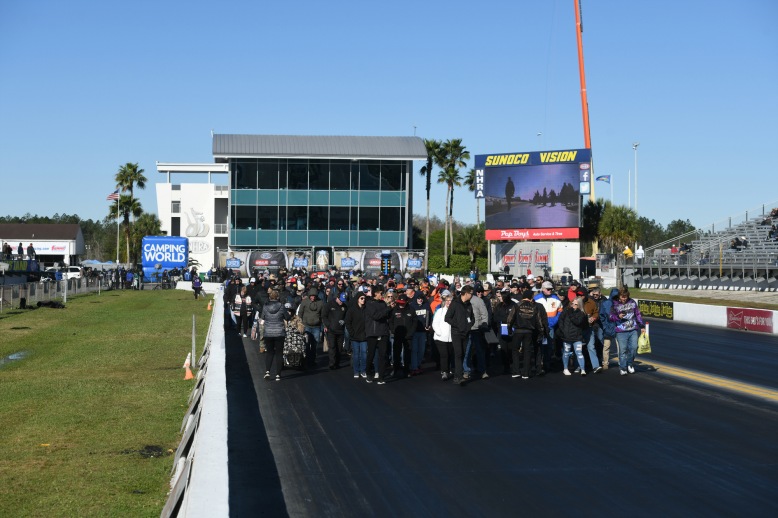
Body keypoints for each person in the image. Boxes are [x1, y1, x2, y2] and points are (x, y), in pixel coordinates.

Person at [609, 287, 646, 376]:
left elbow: (637, 314)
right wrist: (618, 317)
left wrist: (641, 325)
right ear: (619, 296)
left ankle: (630, 364)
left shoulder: (632, 302)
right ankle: (623, 367)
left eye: (625, 297)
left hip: (632, 329)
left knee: (634, 348)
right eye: (622, 297)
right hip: (621, 331)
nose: (624, 299)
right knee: (623, 351)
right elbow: (610, 317)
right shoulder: (614, 305)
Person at [445, 285, 474, 385]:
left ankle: (459, 373)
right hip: (456, 333)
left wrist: (469, 325)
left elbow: (472, 317)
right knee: (458, 354)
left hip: (466, 333)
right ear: (466, 293)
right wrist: (457, 325)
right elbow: (447, 318)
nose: (472, 295)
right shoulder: (455, 303)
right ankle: (458, 376)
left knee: (463, 353)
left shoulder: (469, 305)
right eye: (471, 293)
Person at [364, 285, 392, 385]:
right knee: (371, 354)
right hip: (372, 332)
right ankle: (368, 373)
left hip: (383, 332)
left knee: (383, 355)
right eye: (381, 293)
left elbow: (387, 315)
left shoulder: (383, 303)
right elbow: (376, 316)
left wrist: (390, 308)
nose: (382, 295)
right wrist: (387, 309)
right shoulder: (369, 304)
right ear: (376, 293)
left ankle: (381, 376)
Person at [261, 289, 291, 381]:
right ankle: (278, 374)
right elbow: (287, 317)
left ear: (270, 297)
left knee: (270, 353)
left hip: (268, 332)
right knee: (279, 353)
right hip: (279, 332)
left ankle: (267, 372)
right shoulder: (281, 306)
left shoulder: (265, 306)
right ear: (278, 297)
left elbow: (262, 317)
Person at [534, 281, 562, 372]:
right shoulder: (536, 298)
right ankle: (539, 364)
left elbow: (560, 311)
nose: (550, 290)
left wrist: (554, 321)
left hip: (550, 326)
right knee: (539, 345)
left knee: (549, 346)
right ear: (543, 289)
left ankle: (547, 364)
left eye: (551, 289)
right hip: (540, 327)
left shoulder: (556, 298)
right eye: (548, 289)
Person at [558, 296, 588, 376]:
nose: (573, 305)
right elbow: (560, 320)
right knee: (566, 352)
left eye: (576, 304)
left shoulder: (581, 313)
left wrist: (571, 313)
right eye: (572, 303)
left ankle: (583, 369)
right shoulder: (566, 311)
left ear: (579, 305)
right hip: (566, 336)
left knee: (579, 352)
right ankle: (565, 368)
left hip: (577, 336)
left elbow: (577, 322)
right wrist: (563, 330)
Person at [298, 287, 325, 368]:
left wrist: (324, 325)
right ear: (309, 295)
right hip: (306, 326)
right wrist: (299, 323)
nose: (312, 297)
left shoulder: (320, 302)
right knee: (306, 344)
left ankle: (312, 360)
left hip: (316, 326)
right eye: (311, 296)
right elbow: (300, 313)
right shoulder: (305, 302)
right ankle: (306, 359)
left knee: (314, 344)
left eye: (314, 296)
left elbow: (323, 314)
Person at [345, 292, 368, 379]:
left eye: (364, 298)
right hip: (355, 336)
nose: (363, 300)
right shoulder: (352, 310)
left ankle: (363, 370)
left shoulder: (366, 309)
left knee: (364, 354)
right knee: (356, 354)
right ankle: (356, 371)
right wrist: (352, 333)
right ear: (358, 299)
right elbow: (348, 322)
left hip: (364, 336)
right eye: (361, 298)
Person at [323, 292, 348, 370]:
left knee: (339, 348)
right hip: (331, 330)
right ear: (337, 298)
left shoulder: (345, 306)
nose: (341, 302)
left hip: (340, 330)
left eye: (343, 301)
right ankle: (332, 363)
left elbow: (347, 316)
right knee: (332, 347)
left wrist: (344, 321)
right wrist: (328, 325)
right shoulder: (329, 304)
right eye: (340, 300)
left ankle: (337, 363)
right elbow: (324, 316)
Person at [432, 293, 454, 380]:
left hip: (451, 338)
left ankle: (449, 369)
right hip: (440, 338)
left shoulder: (455, 311)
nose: (448, 302)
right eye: (447, 301)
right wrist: (439, 333)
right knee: (444, 354)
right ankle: (444, 371)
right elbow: (435, 323)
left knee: (450, 354)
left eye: (450, 301)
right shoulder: (440, 311)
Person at [599, 288, 619, 369]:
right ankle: (605, 363)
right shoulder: (606, 303)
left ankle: (621, 362)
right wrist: (604, 326)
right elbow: (601, 315)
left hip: (618, 328)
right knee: (606, 346)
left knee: (621, 347)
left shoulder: (620, 303)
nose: (616, 298)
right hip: (608, 328)